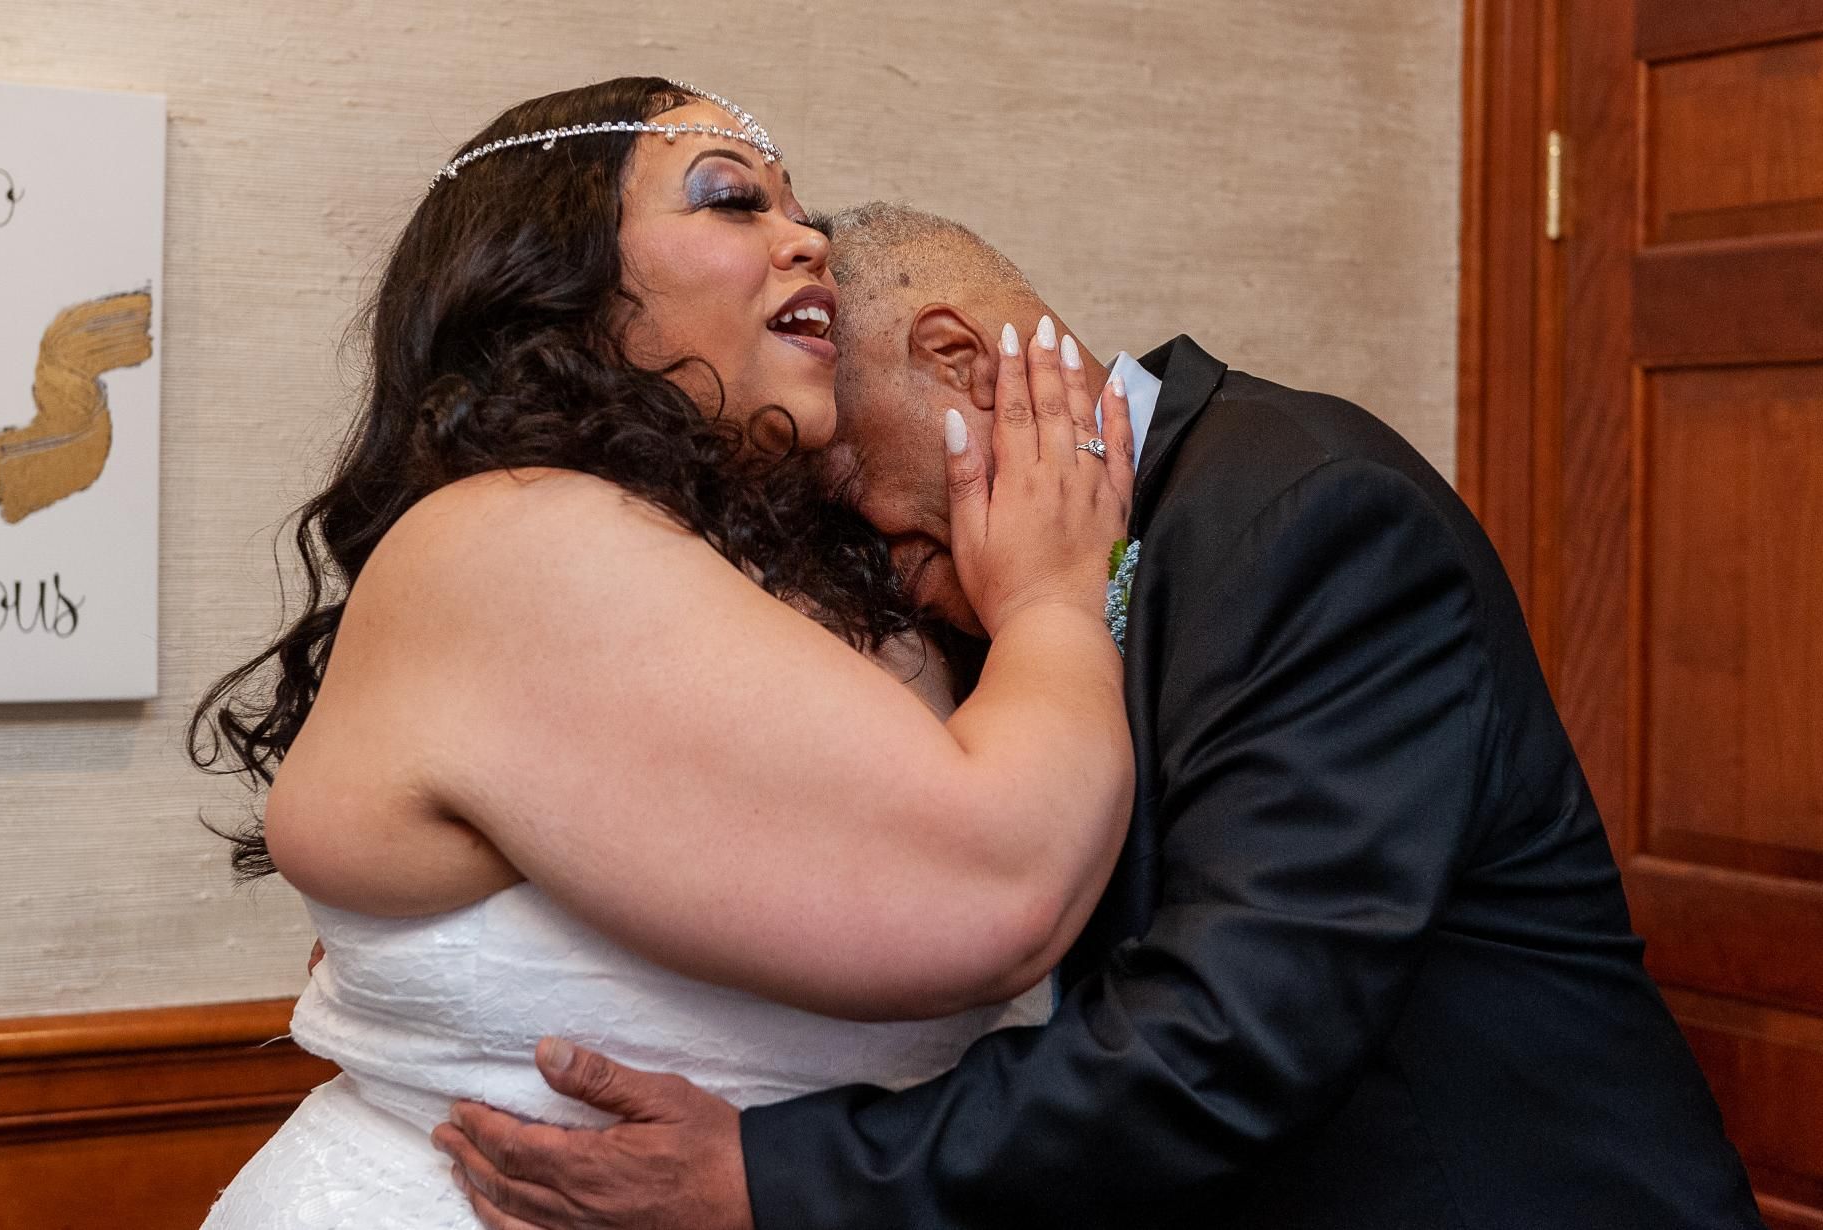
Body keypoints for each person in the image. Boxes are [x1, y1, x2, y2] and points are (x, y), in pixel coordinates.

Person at [438, 205, 1767, 1230]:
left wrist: (769, 1176)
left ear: (956, 358)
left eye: (849, 487)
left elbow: (1232, 1029)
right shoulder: (1009, 605)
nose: (851, 545)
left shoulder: (1306, 520)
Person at [191, 82, 1144, 1228]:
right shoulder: (519, 536)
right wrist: (1052, 594)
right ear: (557, 283)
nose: (811, 241)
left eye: (800, 207)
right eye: (733, 201)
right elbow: (996, 888)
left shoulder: (794, 567)